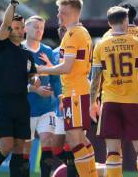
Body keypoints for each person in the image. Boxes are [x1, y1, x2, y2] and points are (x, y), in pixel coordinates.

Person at [37, 0, 97, 177]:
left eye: (62, 12)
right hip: (76, 91)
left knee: (75, 138)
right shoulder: (81, 32)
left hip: (76, 92)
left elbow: (66, 67)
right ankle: (90, 173)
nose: (58, 15)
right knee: (77, 139)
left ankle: (89, 174)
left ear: (73, 13)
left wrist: (40, 70)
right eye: (59, 11)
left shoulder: (73, 34)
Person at [90, 6, 138, 177]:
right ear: (126, 21)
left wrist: (92, 102)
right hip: (132, 100)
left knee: (112, 151)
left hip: (109, 101)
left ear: (110, 23)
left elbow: (95, 77)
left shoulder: (100, 45)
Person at [0, 0, 38, 177]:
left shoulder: (27, 54)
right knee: (6, 146)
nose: (18, 30)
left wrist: (36, 81)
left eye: (21, 27)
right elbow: (6, 22)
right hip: (4, 103)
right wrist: (14, 0)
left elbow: (32, 76)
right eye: (14, 27)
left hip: (22, 104)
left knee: (20, 148)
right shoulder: (0, 45)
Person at [22, 15, 62, 177]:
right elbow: (12, 83)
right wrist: (33, 89)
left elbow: (55, 78)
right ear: (25, 28)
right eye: (35, 27)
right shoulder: (18, 51)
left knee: (47, 141)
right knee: (26, 148)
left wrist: (59, 96)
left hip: (47, 107)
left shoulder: (47, 51)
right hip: (25, 108)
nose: (39, 31)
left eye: (41, 28)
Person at [50, 26, 79, 177]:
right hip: (58, 105)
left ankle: (75, 171)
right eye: (61, 29)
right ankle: (78, 167)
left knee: (73, 144)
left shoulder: (79, 49)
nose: (64, 32)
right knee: (56, 147)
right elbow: (51, 76)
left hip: (75, 102)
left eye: (67, 29)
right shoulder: (53, 53)